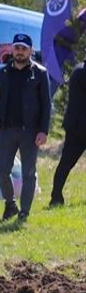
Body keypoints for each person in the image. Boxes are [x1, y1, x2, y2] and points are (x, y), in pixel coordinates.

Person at [0, 33, 52, 221]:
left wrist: (43, 130)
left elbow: (46, 105)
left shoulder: (40, 73)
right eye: (17, 48)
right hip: (6, 130)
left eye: (24, 48)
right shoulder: (3, 73)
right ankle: (10, 204)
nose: (20, 52)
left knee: (28, 173)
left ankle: (25, 211)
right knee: (2, 171)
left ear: (30, 51)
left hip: (30, 132)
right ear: (12, 49)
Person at [49, 60, 86, 207]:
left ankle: (56, 195)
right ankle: (56, 196)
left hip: (77, 126)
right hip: (78, 128)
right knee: (66, 163)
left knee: (65, 163)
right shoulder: (81, 71)